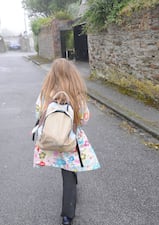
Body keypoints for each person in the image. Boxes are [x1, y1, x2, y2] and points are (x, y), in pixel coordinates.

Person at [33, 58, 100, 225]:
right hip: (71, 140)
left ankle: (68, 208)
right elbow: (84, 119)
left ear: (52, 74)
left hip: (51, 140)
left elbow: (37, 115)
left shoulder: (45, 93)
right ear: (72, 74)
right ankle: (67, 215)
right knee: (69, 171)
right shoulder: (76, 94)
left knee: (64, 166)